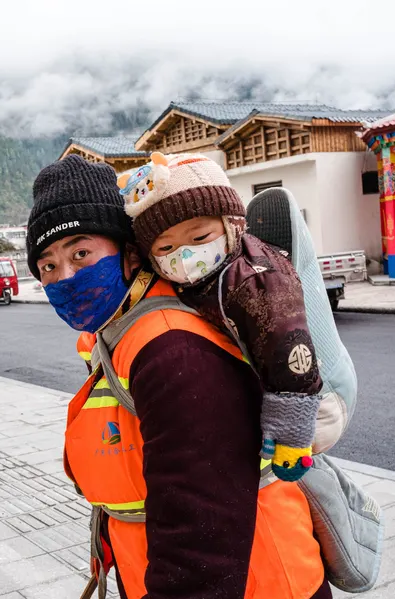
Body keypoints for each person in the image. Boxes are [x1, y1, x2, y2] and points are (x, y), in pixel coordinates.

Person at [26, 154, 360, 599]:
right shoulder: (121, 336)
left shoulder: (168, 347)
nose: (65, 277)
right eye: (48, 266)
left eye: (80, 252)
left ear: (126, 252)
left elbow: (202, 524)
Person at [117, 151, 321, 481]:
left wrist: (292, 436)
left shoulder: (256, 281)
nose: (184, 255)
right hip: (245, 396)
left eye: (199, 238)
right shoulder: (192, 278)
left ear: (232, 224)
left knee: (300, 486)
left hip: (297, 405)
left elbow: (289, 352)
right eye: (165, 248)